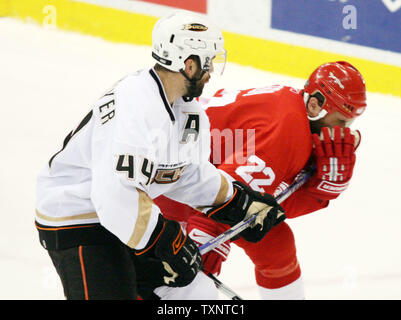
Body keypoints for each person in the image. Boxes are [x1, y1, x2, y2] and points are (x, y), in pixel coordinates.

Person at [34, 11, 285, 300]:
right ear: (189, 64)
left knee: (199, 294)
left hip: (122, 222)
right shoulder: (135, 105)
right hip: (77, 220)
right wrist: (166, 240)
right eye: (209, 62)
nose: (212, 70)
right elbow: (116, 197)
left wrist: (238, 201)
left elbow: (187, 172)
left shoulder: (186, 110)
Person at [138, 60, 367, 300]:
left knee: (277, 245)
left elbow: (265, 203)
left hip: (191, 176)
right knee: (183, 283)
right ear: (315, 105)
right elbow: (222, 202)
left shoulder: (292, 106)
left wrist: (319, 191)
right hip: (168, 186)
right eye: (340, 121)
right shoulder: (286, 133)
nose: (343, 131)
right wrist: (202, 258)